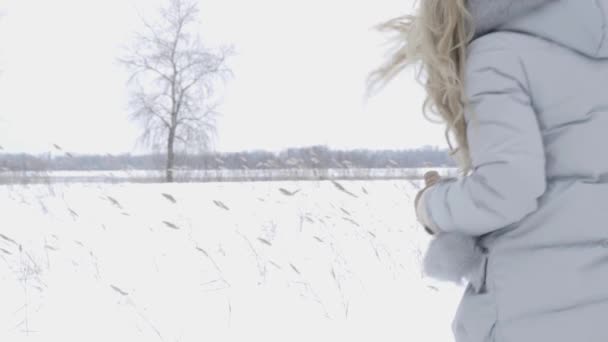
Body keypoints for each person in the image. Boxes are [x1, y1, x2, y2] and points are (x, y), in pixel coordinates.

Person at [367, 0, 608, 341]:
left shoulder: (498, 56)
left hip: (530, 310)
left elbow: (507, 189)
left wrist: (430, 205)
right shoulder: (596, 52)